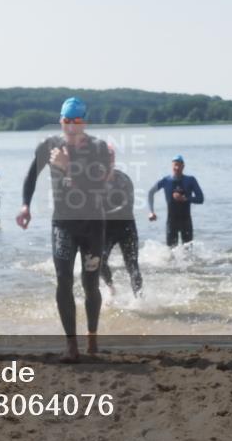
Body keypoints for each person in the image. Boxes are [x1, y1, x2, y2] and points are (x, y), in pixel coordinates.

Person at [16, 96, 111, 362]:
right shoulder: (48, 146)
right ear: (60, 120)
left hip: (93, 224)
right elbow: (31, 176)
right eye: (66, 120)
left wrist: (68, 167)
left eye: (76, 120)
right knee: (63, 280)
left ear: (84, 123)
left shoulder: (98, 148)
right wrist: (25, 206)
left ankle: (92, 338)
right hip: (63, 225)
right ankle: (71, 345)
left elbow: (96, 187)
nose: (71, 125)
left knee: (91, 284)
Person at [101, 151, 142, 297]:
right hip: (106, 230)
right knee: (99, 262)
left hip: (126, 227)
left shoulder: (123, 179)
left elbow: (127, 206)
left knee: (132, 265)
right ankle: (111, 288)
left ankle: (139, 298)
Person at [148, 156, 204, 247]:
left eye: (179, 165)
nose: (177, 168)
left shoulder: (190, 180)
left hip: (186, 221)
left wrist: (185, 198)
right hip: (172, 221)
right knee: (171, 251)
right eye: (175, 165)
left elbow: (200, 199)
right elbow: (150, 192)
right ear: (172, 166)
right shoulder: (166, 180)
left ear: (183, 166)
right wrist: (151, 212)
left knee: (188, 251)